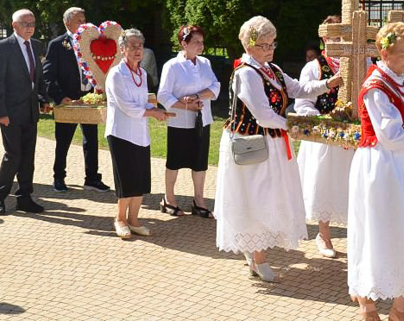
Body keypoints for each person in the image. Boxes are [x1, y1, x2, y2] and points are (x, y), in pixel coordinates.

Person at [215, 16, 340, 282]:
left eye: (272, 43)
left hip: (271, 142)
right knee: (256, 197)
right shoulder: (246, 72)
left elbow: (299, 88)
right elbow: (262, 114)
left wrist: (329, 83)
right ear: (249, 45)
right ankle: (257, 256)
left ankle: (255, 252)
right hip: (253, 143)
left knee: (268, 197)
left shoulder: (270, 69)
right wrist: (293, 127)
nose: (270, 49)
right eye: (264, 45)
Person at [347, 22, 404, 321]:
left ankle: (400, 307)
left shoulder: (399, 79)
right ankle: (368, 303)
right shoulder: (375, 87)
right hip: (381, 166)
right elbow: (387, 133)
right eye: (402, 53)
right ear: (384, 53)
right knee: (379, 230)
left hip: (402, 165)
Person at [296, 15, 351, 259]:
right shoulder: (314, 67)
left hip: (352, 135)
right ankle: (324, 234)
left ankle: (358, 235)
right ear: (324, 37)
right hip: (326, 137)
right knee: (325, 184)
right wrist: (324, 120)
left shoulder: (359, 61)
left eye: (341, 34)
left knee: (352, 184)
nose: (338, 39)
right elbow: (303, 104)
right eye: (332, 35)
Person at [105, 29, 168, 238]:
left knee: (140, 179)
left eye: (140, 46)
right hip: (121, 134)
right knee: (127, 178)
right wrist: (153, 113)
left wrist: (156, 110)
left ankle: (134, 219)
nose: (137, 50)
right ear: (122, 49)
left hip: (140, 134)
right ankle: (120, 218)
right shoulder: (116, 74)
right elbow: (127, 106)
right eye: (132, 46)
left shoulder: (142, 73)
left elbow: (142, 102)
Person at [43, 7, 110, 193]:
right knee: (63, 141)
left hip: (89, 98)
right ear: (67, 23)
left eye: (84, 19)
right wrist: (59, 96)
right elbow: (48, 74)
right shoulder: (57, 44)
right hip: (68, 100)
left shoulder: (91, 42)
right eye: (79, 20)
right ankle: (58, 177)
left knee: (91, 140)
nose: (84, 23)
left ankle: (92, 178)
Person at [157, 25, 221, 218]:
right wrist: (184, 104)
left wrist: (196, 95)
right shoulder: (172, 66)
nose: (201, 46)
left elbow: (215, 86)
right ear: (184, 43)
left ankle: (199, 201)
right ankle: (169, 199)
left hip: (203, 120)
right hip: (179, 122)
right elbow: (162, 95)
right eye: (196, 42)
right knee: (175, 161)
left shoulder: (205, 63)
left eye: (202, 42)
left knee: (200, 162)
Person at [0, 9, 47, 215]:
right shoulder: (3, 47)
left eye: (32, 23)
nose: (30, 27)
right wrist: (0, 112)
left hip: (30, 112)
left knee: (28, 156)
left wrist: (43, 98)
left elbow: (37, 77)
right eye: (25, 24)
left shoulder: (36, 45)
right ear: (14, 26)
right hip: (10, 113)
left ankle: (24, 197)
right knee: (13, 155)